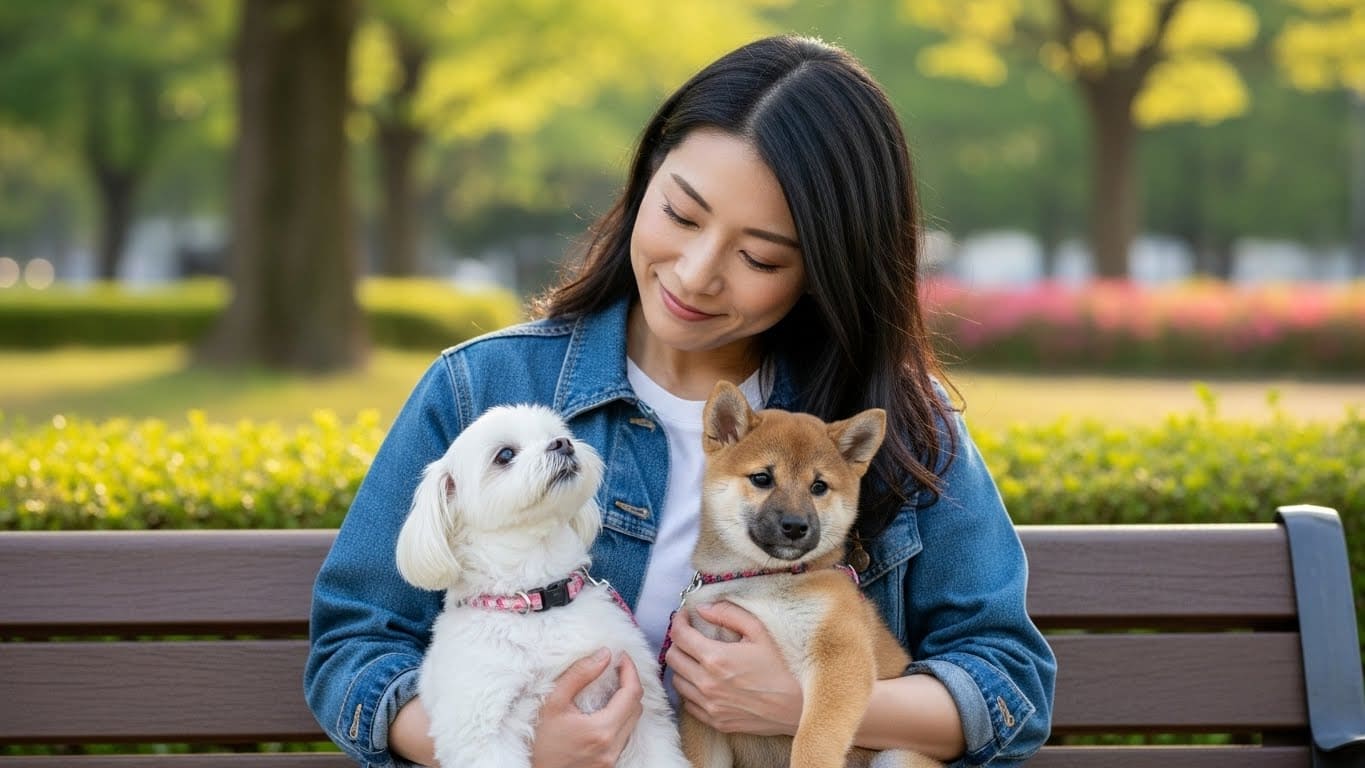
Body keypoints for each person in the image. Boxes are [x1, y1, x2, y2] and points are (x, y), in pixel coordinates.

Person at [305, 34, 1055, 768]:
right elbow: (355, 648)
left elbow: (1008, 681)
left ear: (827, 269)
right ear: (644, 181)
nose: (696, 274)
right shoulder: (485, 390)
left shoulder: (899, 422)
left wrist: (801, 706)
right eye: (681, 215)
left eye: (759, 256)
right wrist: (516, 749)